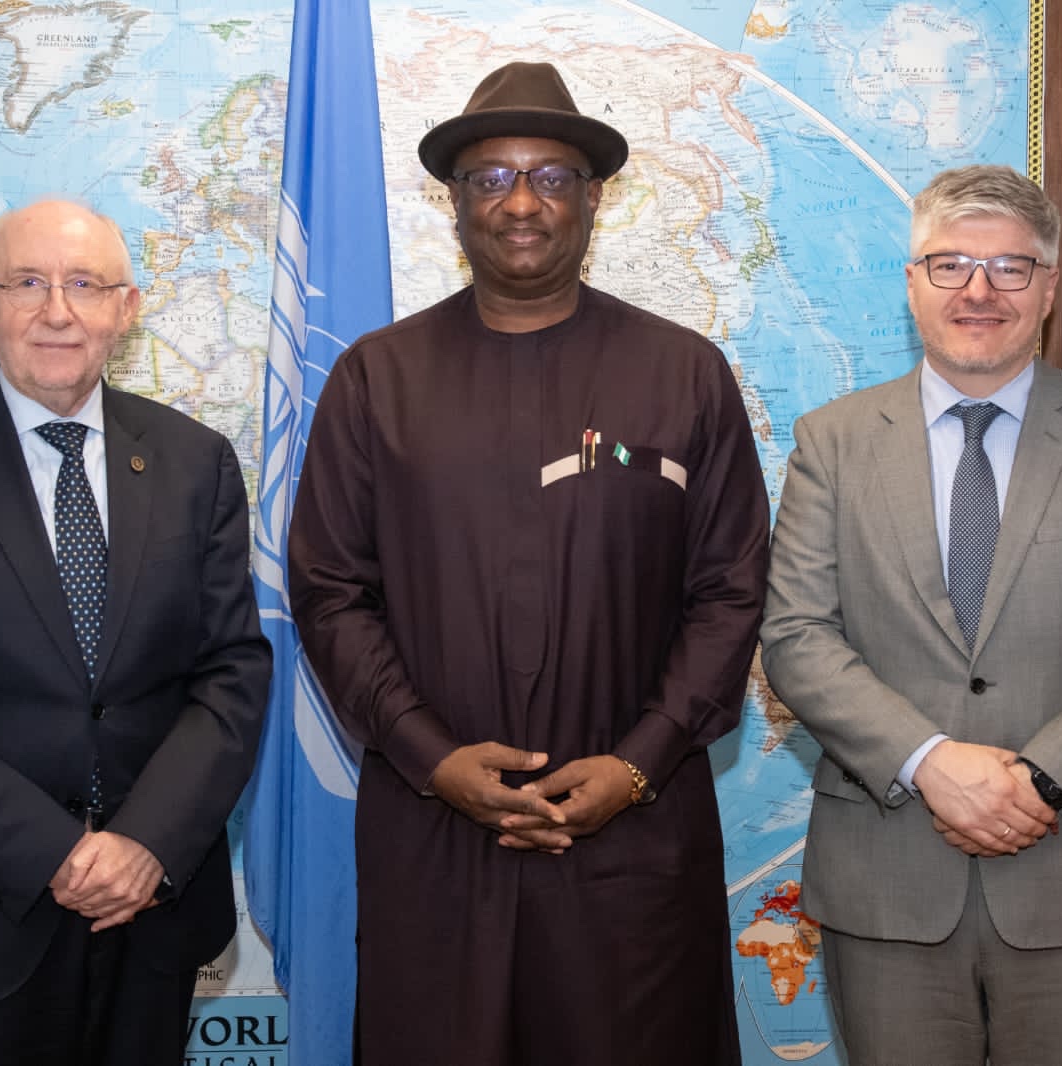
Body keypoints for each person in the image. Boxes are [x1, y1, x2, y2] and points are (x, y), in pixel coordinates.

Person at [288, 62, 768, 1065]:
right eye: (490, 177)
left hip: (633, 838)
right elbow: (331, 590)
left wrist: (636, 764)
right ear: (453, 203)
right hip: (436, 835)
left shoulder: (684, 374)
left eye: (550, 177)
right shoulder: (376, 378)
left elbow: (728, 591)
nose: (519, 203)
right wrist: (433, 757)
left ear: (593, 199)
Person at [760, 164, 1062, 1064]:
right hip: (887, 884)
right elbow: (798, 635)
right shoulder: (833, 441)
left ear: (1048, 288)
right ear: (912, 283)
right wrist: (931, 764)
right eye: (950, 264)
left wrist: (1038, 779)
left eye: (1010, 268)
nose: (978, 290)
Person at [0, 199, 271, 1066]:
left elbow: (230, 672)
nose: (57, 310)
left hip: (152, 919)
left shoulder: (195, 459)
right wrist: (56, 854)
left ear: (126, 307)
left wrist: (147, 842)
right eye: (26, 283)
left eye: (84, 284)